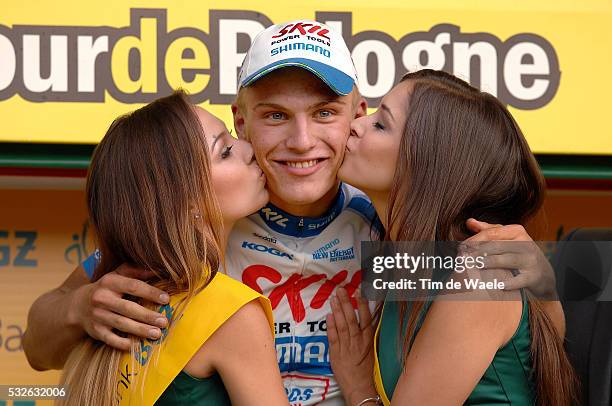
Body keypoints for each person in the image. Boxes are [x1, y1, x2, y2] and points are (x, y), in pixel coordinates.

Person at [23, 21, 563, 405]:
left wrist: (539, 273)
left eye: (325, 113)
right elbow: (36, 350)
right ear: (241, 122)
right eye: (276, 115)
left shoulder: (388, 233)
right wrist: (78, 312)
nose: (302, 142)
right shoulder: (197, 226)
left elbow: (536, 332)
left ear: (357, 116)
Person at [326, 70, 577, 405]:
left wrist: (359, 390)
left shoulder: (480, 277)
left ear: (428, 163)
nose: (356, 125)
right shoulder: (410, 264)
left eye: (381, 124)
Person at [56, 90, 287, 405]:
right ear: (186, 202)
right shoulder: (233, 313)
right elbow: (35, 344)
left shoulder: (113, 307)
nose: (249, 149)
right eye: (225, 151)